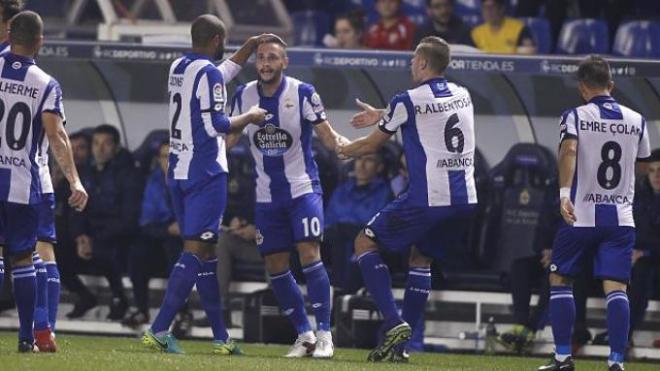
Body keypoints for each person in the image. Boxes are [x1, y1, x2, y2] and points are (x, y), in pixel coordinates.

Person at [339, 36, 478, 362]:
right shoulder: (463, 94)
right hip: (465, 200)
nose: (410, 64)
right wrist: (383, 112)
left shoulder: (407, 100)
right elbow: (431, 113)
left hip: (428, 197)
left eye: (414, 59)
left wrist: (344, 149)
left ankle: (393, 321)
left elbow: (371, 145)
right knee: (421, 259)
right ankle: (401, 348)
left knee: (364, 243)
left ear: (424, 63)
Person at [141, 14, 271, 355]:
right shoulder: (209, 73)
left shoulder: (178, 67)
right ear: (216, 40)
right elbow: (219, 124)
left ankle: (220, 337)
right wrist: (251, 116)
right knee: (196, 250)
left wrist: (248, 47)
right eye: (225, 40)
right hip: (206, 172)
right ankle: (158, 329)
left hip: (179, 171)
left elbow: (220, 73)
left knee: (207, 253)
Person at [229, 37, 349, 359]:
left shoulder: (303, 93)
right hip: (267, 195)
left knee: (310, 252)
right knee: (275, 264)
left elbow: (326, 133)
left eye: (272, 58)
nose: (265, 64)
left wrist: (345, 146)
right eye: (261, 59)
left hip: (302, 189)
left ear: (285, 62)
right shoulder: (243, 95)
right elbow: (227, 139)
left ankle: (325, 334)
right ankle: (304, 335)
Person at [538, 56, 651, 371]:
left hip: (581, 215)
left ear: (582, 87)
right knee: (616, 288)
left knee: (560, 278)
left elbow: (570, 150)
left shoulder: (575, 116)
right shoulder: (637, 119)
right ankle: (616, 362)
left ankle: (563, 358)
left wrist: (564, 195)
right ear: (611, 85)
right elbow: (643, 165)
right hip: (621, 219)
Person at [0, 10, 88, 352]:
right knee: (23, 257)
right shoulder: (45, 82)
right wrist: (75, 181)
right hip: (23, 182)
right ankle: (28, 337)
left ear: (9, 33)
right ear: (40, 42)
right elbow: (57, 136)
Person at [592, 148, 660, 349]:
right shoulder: (636, 195)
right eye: (653, 170)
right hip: (632, 255)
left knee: (642, 274)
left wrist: (645, 253)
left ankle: (622, 335)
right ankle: (580, 332)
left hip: (651, 261)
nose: (657, 176)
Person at [122, 141, 185, 328]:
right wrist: (167, 229)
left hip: (186, 238)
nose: (169, 161)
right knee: (138, 252)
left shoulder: (191, 180)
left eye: (173, 156)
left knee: (176, 252)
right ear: (159, 160)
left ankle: (183, 312)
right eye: (165, 157)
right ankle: (141, 309)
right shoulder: (153, 181)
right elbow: (146, 221)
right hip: (162, 233)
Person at [325, 151, 392, 292]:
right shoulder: (341, 190)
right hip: (337, 241)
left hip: (366, 242)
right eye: (359, 159)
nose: (361, 165)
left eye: (369, 160)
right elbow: (328, 222)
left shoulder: (385, 192)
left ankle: (342, 292)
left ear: (379, 167)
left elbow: (377, 227)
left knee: (355, 243)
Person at [471, 0, 535, 54]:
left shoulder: (519, 28)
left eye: (492, 7)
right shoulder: (476, 32)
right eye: (485, 8)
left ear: (502, 8)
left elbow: (527, 57)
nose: (488, 11)